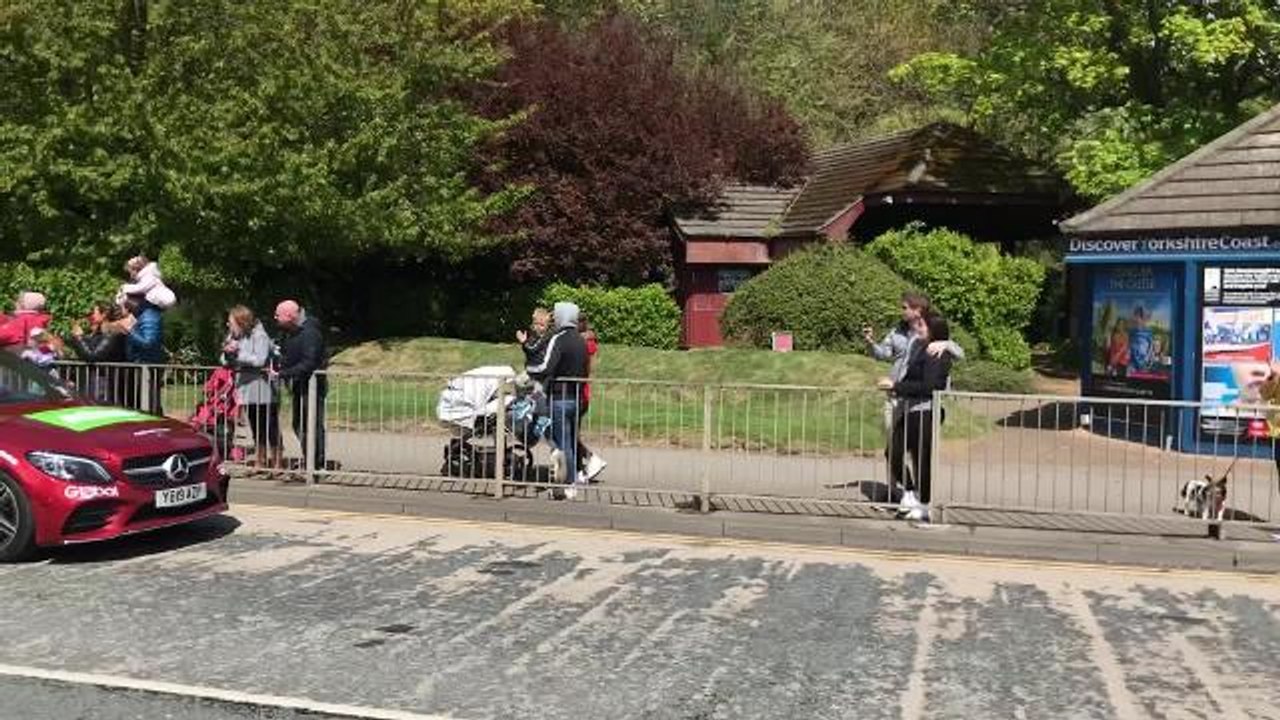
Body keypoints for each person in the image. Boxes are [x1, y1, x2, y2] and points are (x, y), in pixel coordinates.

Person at [863, 291, 962, 502]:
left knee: (918, 453)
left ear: (917, 310)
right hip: (897, 397)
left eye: (905, 307)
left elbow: (957, 353)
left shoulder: (929, 329)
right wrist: (870, 343)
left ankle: (920, 497)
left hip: (919, 401)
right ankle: (895, 493)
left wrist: (946, 344)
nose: (901, 311)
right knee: (894, 450)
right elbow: (883, 354)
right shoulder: (898, 332)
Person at [878, 313, 955, 523]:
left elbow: (929, 386)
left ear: (932, 330)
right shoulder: (919, 347)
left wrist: (897, 386)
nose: (917, 328)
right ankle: (910, 492)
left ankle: (924, 504)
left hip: (926, 411)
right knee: (893, 452)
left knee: (922, 459)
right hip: (911, 409)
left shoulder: (936, 352)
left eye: (922, 325)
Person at [526, 302, 589, 498]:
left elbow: (545, 367)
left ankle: (569, 485)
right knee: (571, 440)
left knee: (563, 443)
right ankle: (574, 478)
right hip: (576, 397)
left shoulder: (559, 338)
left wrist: (529, 370)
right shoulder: (581, 340)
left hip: (559, 397)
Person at [222, 306, 281, 470]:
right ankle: (260, 459)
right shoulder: (234, 336)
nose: (228, 324)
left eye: (231, 321)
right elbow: (224, 359)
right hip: (246, 385)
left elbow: (260, 359)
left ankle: (277, 460)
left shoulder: (260, 335)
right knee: (255, 424)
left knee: (270, 424)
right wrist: (227, 354)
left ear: (241, 321)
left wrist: (238, 355)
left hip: (263, 386)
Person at [274, 300, 328, 472]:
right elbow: (290, 355)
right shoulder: (292, 332)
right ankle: (309, 459)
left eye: (278, 315)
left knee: (311, 424)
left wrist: (283, 373)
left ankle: (316, 463)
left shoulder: (310, 333)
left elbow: (309, 362)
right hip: (300, 385)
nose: (275, 318)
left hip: (312, 386)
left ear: (290, 316)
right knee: (300, 424)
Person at [68, 302, 131, 406]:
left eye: (94, 312)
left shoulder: (113, 333)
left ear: (104, 314)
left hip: (104, 383)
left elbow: (93, 356)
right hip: (96, 381)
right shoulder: (99, 332)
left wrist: (79, 338)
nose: (91, 316)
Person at [576, 312, 607, 483]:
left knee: (570, 434)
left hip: (580, 392)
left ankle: (591, 459)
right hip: (581, 391)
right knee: (571, 433)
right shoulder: (585, 340)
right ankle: (579, 469)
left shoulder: (585, 343)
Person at [123, 296, 166, 414]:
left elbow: (148, 342)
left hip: (148, 364)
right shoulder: (143, 316)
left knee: (149, 400)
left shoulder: (149, 317)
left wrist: (130, 330)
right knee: (145, 398)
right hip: (142, 363)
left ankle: (154, 420)